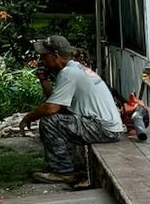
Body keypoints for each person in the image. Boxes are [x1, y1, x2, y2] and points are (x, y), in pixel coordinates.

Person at [22, 36, 123, 184]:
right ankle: (67, 165)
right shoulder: (74, 68)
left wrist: (28, 118)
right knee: (56, 119)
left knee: (50, 122)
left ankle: (62, 171)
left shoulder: (68, 73)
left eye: (44, 56)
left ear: (55, 56)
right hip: (106, 126)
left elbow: (51, 108)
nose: (41, 60)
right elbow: (55, 102)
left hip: (104, 129)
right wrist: (43, 79)